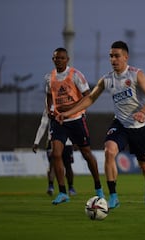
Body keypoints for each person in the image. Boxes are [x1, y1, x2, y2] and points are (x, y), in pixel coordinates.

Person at [56, 41, 145, 208]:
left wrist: (143, 112)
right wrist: (67, 113)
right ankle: (113, 197)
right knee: (109, 151)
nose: (113, 59)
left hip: (139, 126)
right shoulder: (107, 79)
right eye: (111, 56)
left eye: (117, 56)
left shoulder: (136, 74)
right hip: (120, 124)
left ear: (126, 57)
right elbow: (89, 98)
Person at [46, 47, 104, 205]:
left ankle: (98, 188)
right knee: (56, 155)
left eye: (61, 58)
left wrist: (71, 109)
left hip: (76, 120)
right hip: (59, 122)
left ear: (67, 59)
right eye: (56, 58)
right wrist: (50, 110)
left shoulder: (76, 75)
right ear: (53, 59)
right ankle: (63, 193)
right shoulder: (49, 77)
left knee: (86, 153)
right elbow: (49, 96)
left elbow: (88, 97)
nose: (58, 60)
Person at [32, 109, 76, 196]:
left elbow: (74, 124)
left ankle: (70, 187)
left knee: (68, 165)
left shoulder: (70, 106)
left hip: (68, 142)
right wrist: (36, 141)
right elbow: (43, 124)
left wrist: (75, 140)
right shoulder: (49, 108)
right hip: (52, 141)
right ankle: (51, 187)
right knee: (53, 164)